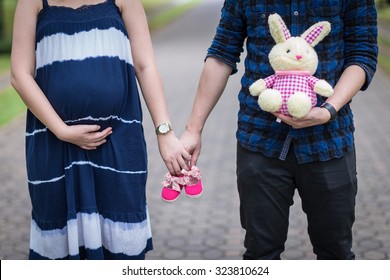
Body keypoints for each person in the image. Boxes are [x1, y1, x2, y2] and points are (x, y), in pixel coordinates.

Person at [180, 0, 378, 259]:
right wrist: (193, 129)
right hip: (260, 140)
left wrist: (329, 108)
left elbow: (362, 54)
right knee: (261, 253)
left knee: (336, 253)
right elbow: (222, 53)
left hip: (329, 141)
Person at [11, 0, 190, 260]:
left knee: (121, 246)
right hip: (53, 145)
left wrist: (165, 133)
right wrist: (62, 130)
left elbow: (145, 66)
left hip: (119, 143)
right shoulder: (32, 2)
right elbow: (19, 74)